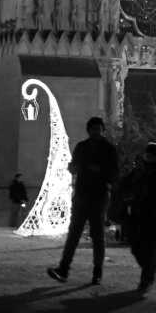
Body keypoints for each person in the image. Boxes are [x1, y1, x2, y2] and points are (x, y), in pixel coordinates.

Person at [47, 116, 119, 286]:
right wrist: (73, 168)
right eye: (93, 129)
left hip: (99, 196)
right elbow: (73, 167)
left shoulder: (109, 149)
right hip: (81, 194)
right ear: (89, 130)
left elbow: (114, 173)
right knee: (73, 234)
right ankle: (63, 269)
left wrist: (100, 171)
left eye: (99, 129)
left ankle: (97, 272)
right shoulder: (81, 147)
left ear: (103, 130)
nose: (96, 132)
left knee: (97, 235)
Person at [125, 142, 156, 294]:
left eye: (152, 155)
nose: (149, 157)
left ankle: (146, 279)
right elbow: (127, 183)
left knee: (151, 248)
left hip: (155, 214)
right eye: (147, 155)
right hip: (139, 213)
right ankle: (149, 269)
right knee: (136, 246)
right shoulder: (139, 170)